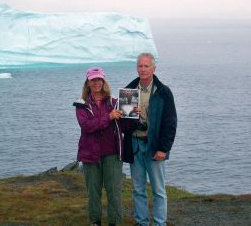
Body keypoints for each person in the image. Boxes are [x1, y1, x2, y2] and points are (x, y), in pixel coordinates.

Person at [122, 53, 177, 226]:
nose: (143, 69)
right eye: (140, 66)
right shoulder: (129, 90)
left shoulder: (163, 92)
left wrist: (164, 148)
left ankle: (160, 223)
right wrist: (132, 117)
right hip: (135, 144)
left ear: (154, 68)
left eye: (146, 66)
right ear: (136, 68)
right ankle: (141, 222)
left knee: (159, 190)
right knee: (138, 188)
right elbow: (124, 125)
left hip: (155, 147)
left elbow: (170, 123)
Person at [73, 67, 128, 226]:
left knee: (114, 192)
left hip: (112, 153)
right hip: (90, 154)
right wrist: (109, 117)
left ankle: (115, 222)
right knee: (93, 193)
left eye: (99, 79)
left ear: (103, 81)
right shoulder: (81, 104)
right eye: (93, 79)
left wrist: (133, 114)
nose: (96, 83)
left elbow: (126, 127)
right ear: (88, 82)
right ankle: (95, 222)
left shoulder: (115, 102)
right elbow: (87, 126)